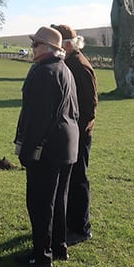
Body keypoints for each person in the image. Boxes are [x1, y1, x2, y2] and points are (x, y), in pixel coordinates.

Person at [14, 26, 79, 267]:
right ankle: (58, 246)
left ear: (50, 49)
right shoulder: (65, 70)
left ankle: (41, 254)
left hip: (48, 147)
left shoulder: (43, 73)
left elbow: (38, 118)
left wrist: (27, 151)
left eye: (36, 45)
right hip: (67, 145)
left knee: (40, 201)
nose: (32, 49)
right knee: (59, 199)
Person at [51, 24, 97, 246]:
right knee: (70, 180)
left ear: (68, 45)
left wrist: (76, 133)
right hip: (71, 132)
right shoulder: (69, 63)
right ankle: (69, 223)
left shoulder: (79, 67)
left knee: (79, 179)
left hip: (79, 134)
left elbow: (89, 107)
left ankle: (81, 227)